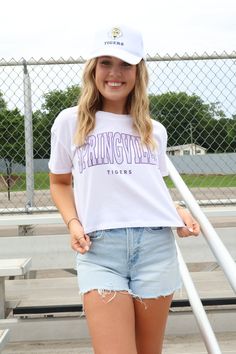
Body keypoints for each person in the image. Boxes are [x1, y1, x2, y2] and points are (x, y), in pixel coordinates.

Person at [49, 24, 200, 354]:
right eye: (105, 62)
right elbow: (59, 182)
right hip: (99, 251)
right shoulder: (69, 122)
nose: (114, 73)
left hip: (154, 247)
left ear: (138, 71)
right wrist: (73, 223)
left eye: (125, 64)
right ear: (93, 68)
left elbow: (148, 188)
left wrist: (175, 210)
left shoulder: (154, 131)